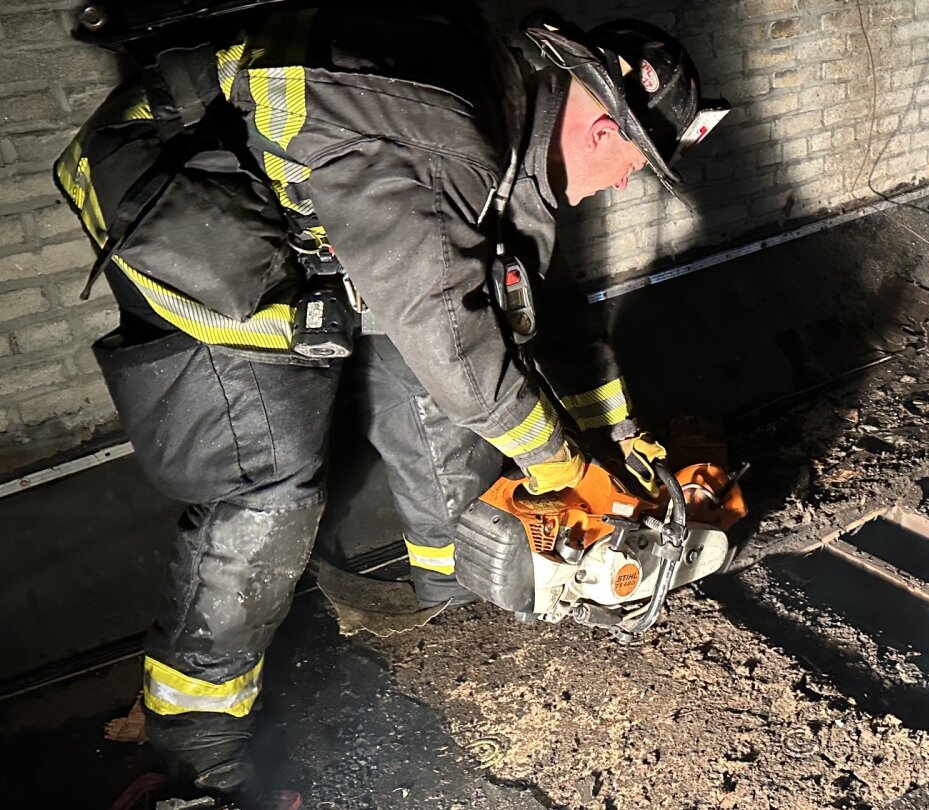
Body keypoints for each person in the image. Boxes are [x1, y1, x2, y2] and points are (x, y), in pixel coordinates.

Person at [55, 4, 726, 804]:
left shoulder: (513, 119)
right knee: (270, 479)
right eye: (635, 166)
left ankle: (452, 595)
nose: (623, 183)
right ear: (603, 131)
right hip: (179, 196)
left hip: (290, 205)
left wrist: (617, 441)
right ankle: (194, 736)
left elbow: (543, 315)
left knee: (443, 370)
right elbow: (453, 344)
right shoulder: (449, 140)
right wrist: (557, 462)